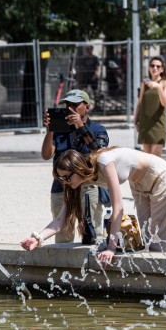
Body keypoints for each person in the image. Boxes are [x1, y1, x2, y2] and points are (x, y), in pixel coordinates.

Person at [21, 146, 166, 262]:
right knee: (148, 235)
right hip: (139, 184)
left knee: (160, 237)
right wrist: (38, 238)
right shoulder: (79, 181)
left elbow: (118, 207)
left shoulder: (104, 162)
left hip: (159, 175)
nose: (64, 182)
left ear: (77, 169)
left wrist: (111, 248)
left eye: (66, 177)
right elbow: (59, 221)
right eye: (61, 178)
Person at [41, 89, 109, 243]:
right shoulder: (59, 130)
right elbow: (46, 155)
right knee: (63, 235)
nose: (70, 109)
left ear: (87, 107)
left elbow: (99, 152)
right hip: (61, 185)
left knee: (92, 232)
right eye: (68, 105)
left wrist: (80, 126)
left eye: (75, 105)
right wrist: (50, 130)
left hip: (88, 185)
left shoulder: (98, 130)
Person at [134, 56, 166, 157]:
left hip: (158, 124)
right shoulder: (145, 83)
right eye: (152, 65)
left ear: (162, 69)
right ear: (149, 68)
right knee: (147, 159)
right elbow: (140, 103)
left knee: (156, 159)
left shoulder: (165, 83)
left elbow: (165, 103)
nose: (155, 68)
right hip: (145, 123)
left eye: (158, 66)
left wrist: (158, 87)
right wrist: (135, 121)